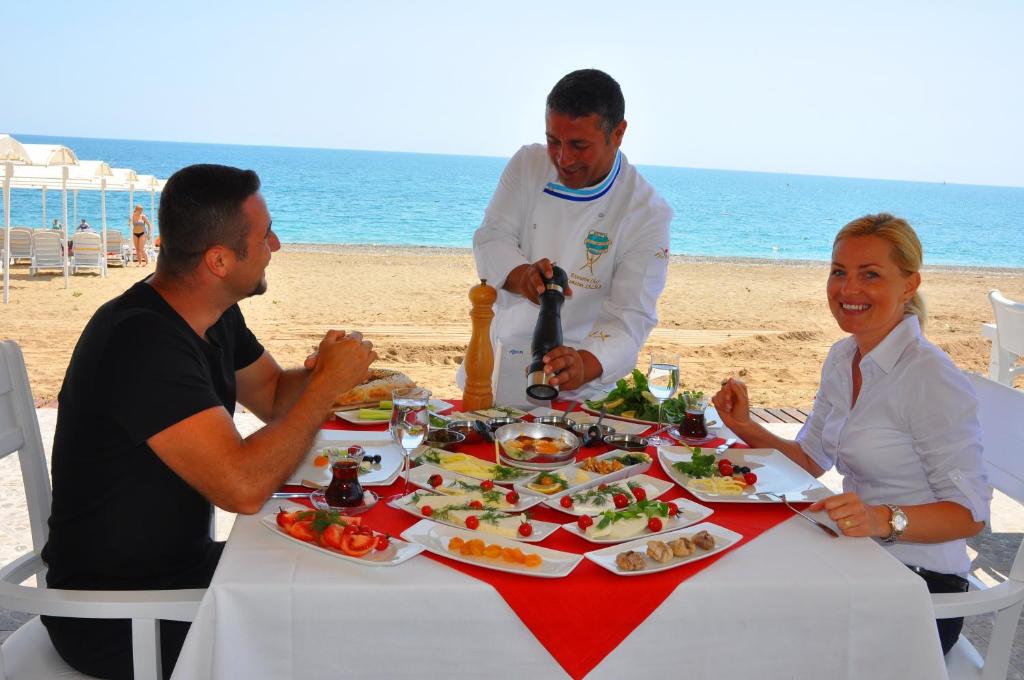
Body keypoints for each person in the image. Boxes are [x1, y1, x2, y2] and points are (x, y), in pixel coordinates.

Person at [41, 164, 377, 679]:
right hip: (118, 616)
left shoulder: (212, 315)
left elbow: (272, 394)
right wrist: (326, 388)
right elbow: (243, 487)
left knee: (348, 574)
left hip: (183, 575)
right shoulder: (140, 343)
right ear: (219, 260)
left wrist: (325, 372)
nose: (276, 245)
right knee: (343, 629)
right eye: (265, 236)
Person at [711, 213, 990, 655]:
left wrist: (881, 518)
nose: (848, 289)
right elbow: (810, 459)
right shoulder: (844, 358)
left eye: (870, 274)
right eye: (839, 272)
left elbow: (970, 515)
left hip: (921, 590)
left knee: (752, 630)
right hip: (857, 559)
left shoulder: (930, 378)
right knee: (728, 589)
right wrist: (743, 426)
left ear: (910, 285)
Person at [468, 68, 672, 400]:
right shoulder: (528, 164)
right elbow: (492, 237)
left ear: (618, 133)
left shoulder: (646, 212)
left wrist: (583, 365)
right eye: (554, 141)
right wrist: (523, 276)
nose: (563, 158)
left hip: (583, 393)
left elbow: (631, 315)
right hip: (496, 368)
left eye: (579, 145)